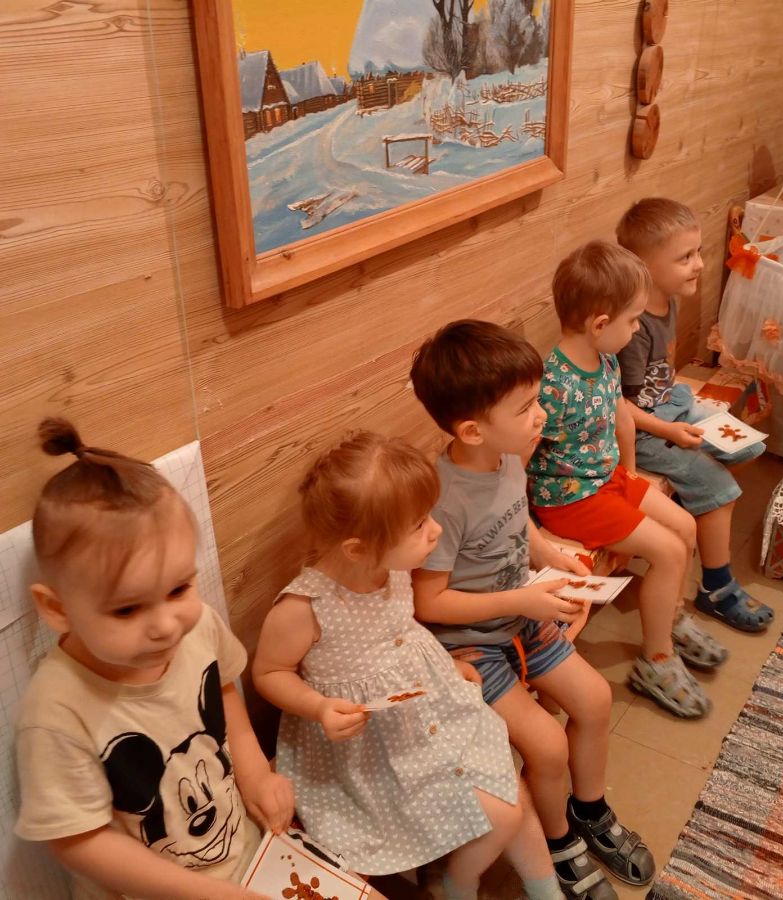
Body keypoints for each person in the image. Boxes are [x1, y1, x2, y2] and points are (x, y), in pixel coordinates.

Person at [252, 431, 566, 900]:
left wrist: (444, 665)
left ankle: (541, 889)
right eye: (419, 525)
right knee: (504, 809)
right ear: (357, 547)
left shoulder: (392, 566)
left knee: (507, 792)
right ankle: (459, 884)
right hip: (368, 744)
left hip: (427, 705)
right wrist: (317, 707)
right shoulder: (305, 607)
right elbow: (269, 672)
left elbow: (401, 630)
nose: (436, 531)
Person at [410, 321, 654, 900]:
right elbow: (428, 601)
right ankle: (560, 841)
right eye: (525, 408)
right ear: (472, 430)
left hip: (521, 618)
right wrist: (522, 597)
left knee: (595, 700)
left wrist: (549, 554)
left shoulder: (508, 457)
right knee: (546, 745)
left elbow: (519, 523)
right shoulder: (443, 498)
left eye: (537, 399)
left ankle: (589, 810)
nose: (541, 415)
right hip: (469, 645)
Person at [15, 418, 294, 900]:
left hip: (241, 854)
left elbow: (223, 688)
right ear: (57, 609)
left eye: (179, 588)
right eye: (127, 609)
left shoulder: (199, 626)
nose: (166, 625)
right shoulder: (56, 711)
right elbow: (79, 842)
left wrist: (254, 773)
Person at [527, 241, 718, 719]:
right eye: (633, 320)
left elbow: (622, 419)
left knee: (686, 527)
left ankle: (669, 615)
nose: (637, 329)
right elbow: (520, 459)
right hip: (571, 497)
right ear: (599, 323)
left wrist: (631, 473)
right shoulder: (553, 384)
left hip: (607, 478)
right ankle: (657, 659)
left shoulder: (605, 359)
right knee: (669, 551)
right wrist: (533, 533)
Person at [615, 198, 774, 633]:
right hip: (644, 429)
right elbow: (620, 407)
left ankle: (693, 498)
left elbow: (658, 383)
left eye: (698, 252)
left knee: (748, 448)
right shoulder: (633, 329)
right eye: (685, 257)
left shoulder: (665, 299)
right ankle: (716, 588)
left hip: (671, 404)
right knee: (720, 487)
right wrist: (669, 430)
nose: (700, 265)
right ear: (643, 267)